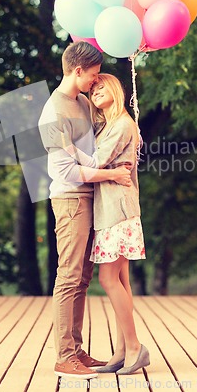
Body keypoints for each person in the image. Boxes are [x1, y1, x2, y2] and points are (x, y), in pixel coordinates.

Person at [38, 42, 132, 380]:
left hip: (91, 198)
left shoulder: (81, 102)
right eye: (93, 75)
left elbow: (103, 140)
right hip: (70, 199)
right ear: (77, 71)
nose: (95, 81)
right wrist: (112, 174)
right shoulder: (53, 112)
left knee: (82, 278)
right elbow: (65, 172)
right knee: (69, 275)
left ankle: (76, 350)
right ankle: (64, 356)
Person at [49, 73, 150, 376]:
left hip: (117, 211)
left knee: (109, 280)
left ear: (117, 90)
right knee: (119, 280)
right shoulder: (107, 125)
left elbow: (98, 160)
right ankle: (122, 350)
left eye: (102, 87)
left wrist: (63, 146)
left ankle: (133, 347)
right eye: (93, 91)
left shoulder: (121, 124)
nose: (96, 92)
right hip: (110, 210)